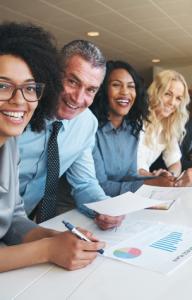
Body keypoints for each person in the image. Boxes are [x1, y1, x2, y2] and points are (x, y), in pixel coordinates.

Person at [0, 22, 104, 272]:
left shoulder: (9, 139)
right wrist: (46, 249)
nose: (19, 100)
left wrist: (52, 237)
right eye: (3, 85)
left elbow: (12, 217)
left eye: (28, 88)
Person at [18, 39, 122, 230]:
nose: (78, 98)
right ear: (54, 74)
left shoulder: (86, 123)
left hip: (22, 227)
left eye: (90, 90)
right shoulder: (19, 110)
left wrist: (105, 208)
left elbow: (84, 183)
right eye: (73, 82)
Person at [90, 61, 173, 197]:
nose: (125, 92)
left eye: (131, 86)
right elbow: (100, 186)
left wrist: (156, 178)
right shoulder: (92, 129)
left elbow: (129, 176)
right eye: (116, 85)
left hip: (118, 204)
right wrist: (150, 184)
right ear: (103, 90)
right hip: (80, 208)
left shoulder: (131, 129)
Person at [137, 70, 192, 187]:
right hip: (129, 185)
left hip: (146, 184)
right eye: (167, 94)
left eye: (178, 98)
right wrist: (154, 176)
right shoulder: (137, 120)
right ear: (156, 92)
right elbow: (134, 167)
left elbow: (175, 162)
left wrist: (171, 175)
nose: (172, 102)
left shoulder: (168, 125)